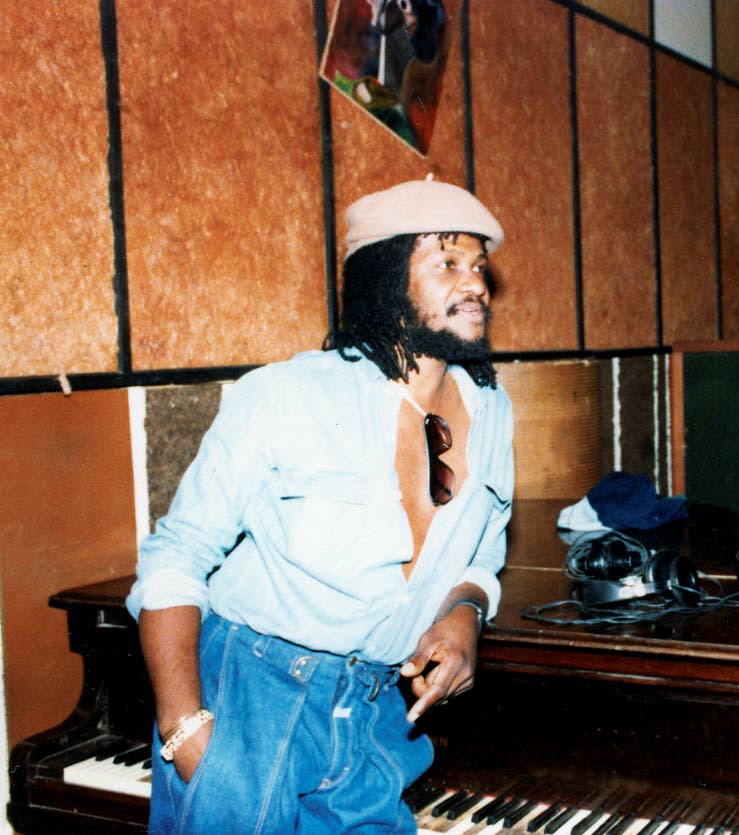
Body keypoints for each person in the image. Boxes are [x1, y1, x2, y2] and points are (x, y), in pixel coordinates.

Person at [126, 177, 514, 833]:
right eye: (446, 262)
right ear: (387, 280)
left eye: (478, 266)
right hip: (251, 696)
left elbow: (485, 545)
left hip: (372, 718)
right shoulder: (285, 395)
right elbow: (176, 556)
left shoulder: (493, 410)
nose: (473, 283)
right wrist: (185, 728)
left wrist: (466, 611)